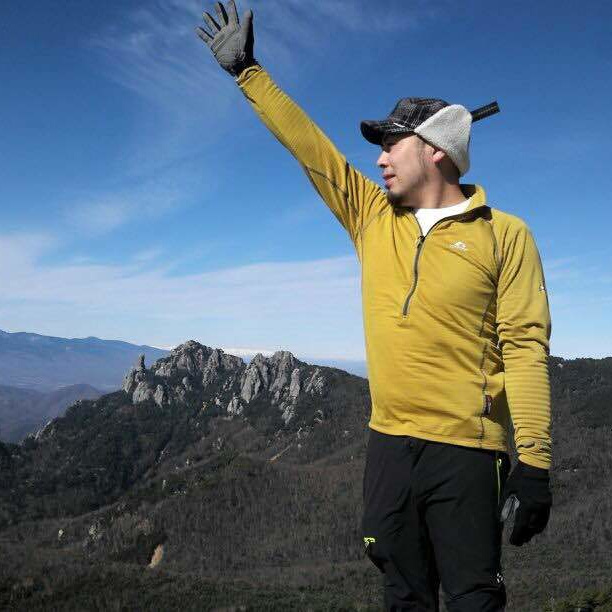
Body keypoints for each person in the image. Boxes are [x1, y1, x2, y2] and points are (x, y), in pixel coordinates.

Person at [195, 3, 553, 610]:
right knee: (402, 595)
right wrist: (248, 73)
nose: (380, 158)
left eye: (391, 143)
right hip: (387, 444)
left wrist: (535, 464)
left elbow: (525, 349)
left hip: (468, 452)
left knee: (474, 599)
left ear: (436, 150)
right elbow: (312, 150)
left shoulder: (505, 234)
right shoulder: (372, 218)